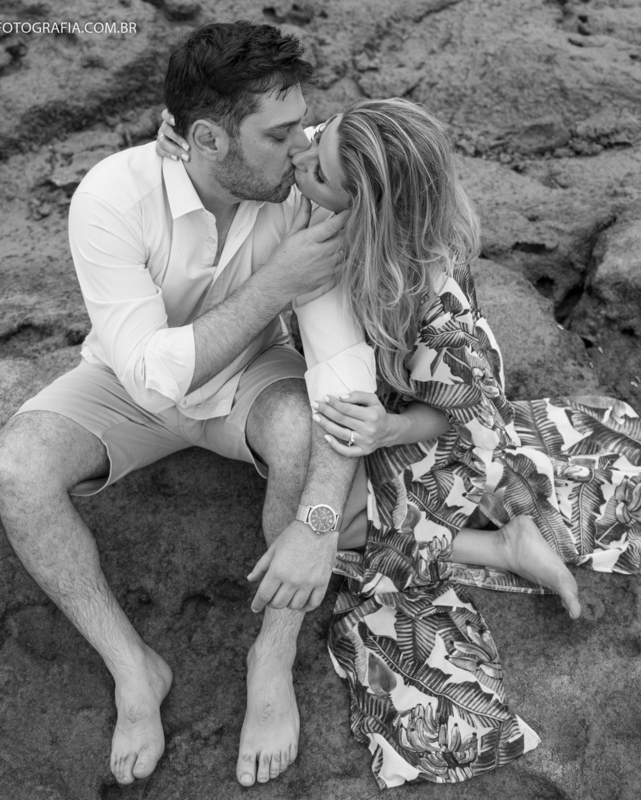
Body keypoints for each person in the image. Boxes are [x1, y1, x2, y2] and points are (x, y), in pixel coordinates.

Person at [158, 97, 641, 787]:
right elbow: (276, 141)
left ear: (364, 211)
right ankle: (500, 538)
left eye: (318, 171)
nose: (302, 156)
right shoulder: (345, 170)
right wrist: (183, 138)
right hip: (380, 410)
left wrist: (390, 429)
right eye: (315, 139)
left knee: (337, 532)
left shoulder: (428, 297)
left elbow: (465, 410)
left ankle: (501, 544)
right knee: (326, 508)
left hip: (431, 436)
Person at [0, 20, 378, 789]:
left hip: (251, 377)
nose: (302, 148)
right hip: (129, 387)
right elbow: (147, 375)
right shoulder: (113, 195)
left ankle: (272, 657)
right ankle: (134, 668)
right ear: (205, 138)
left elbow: (341, 374)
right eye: (279, 135)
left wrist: (318, 523)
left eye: (303, 125)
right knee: (14, 468)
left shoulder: (303, 189)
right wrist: (275, 284)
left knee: (302, 430)